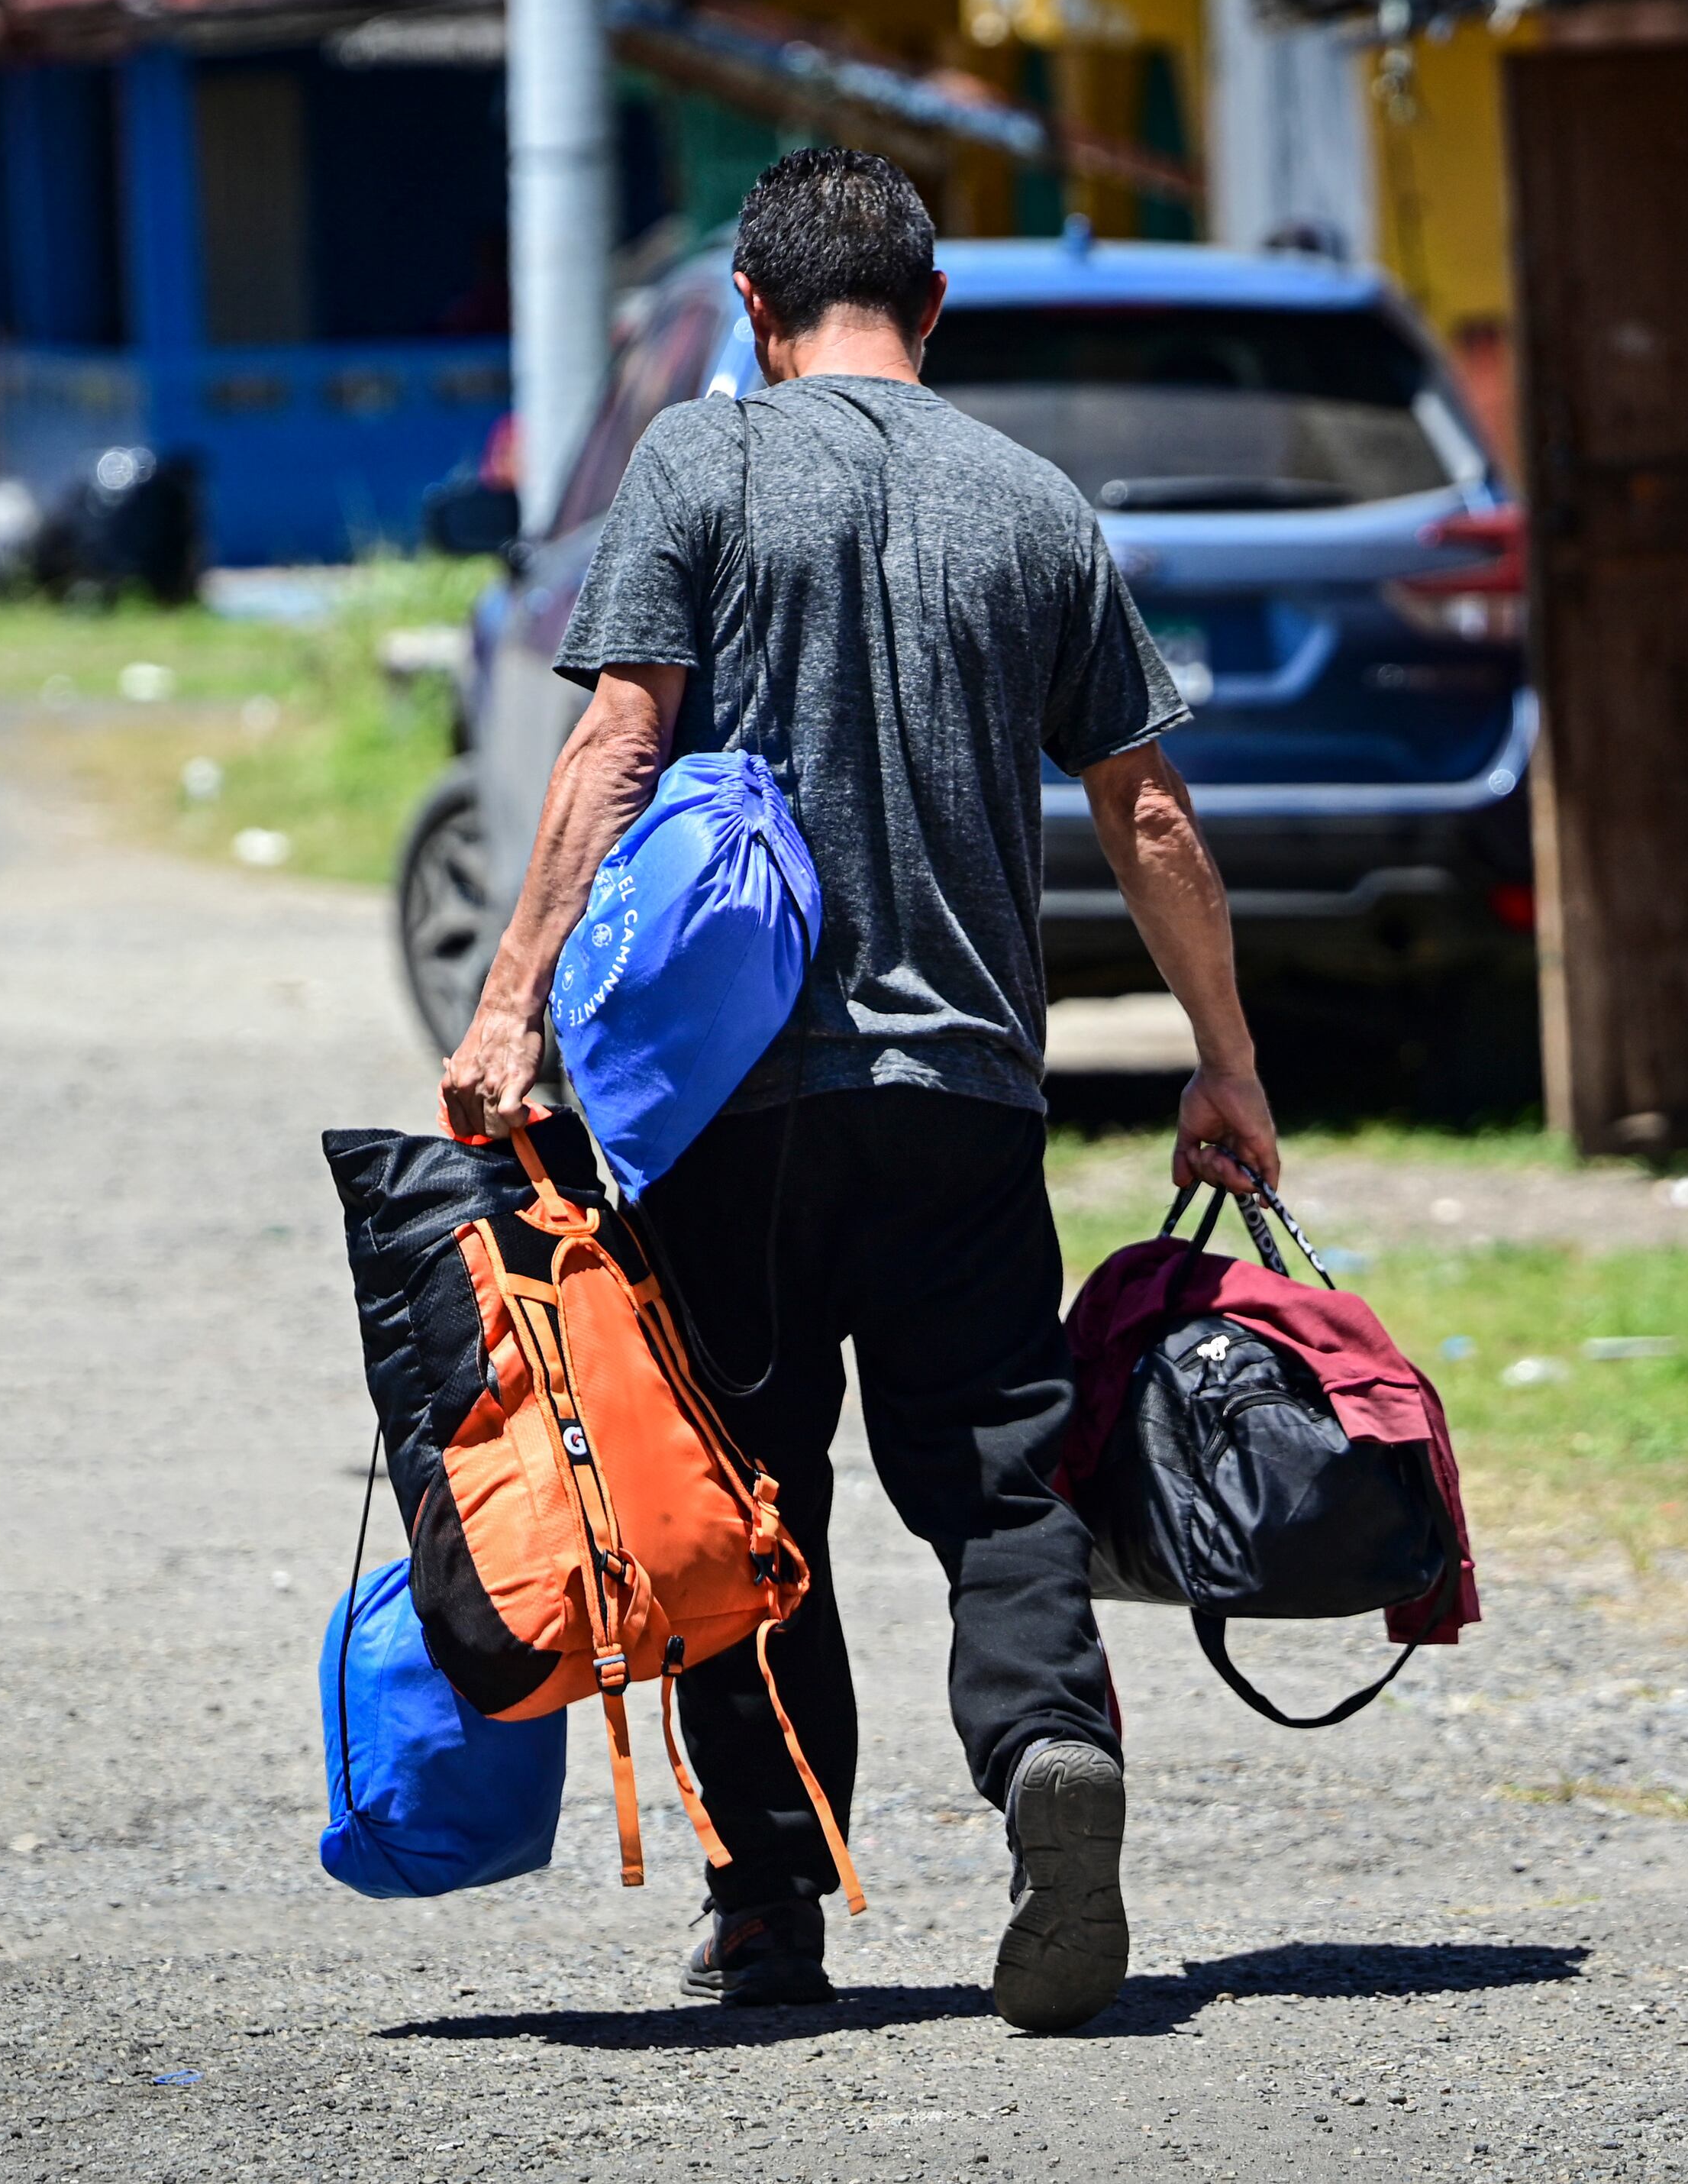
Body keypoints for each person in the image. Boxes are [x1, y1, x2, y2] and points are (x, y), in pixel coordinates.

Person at [436, 149, 1278, 2035]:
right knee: (995, 1460)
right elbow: (1149, 810)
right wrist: (1223, 1063)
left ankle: (771, 1904)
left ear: (750, 307)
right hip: (966, 1084)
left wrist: (513, 1010)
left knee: (748, 1488)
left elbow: (618, 738)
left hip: (727, 1101)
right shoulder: (1037, 501)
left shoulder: (704, 463)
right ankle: (1051, 1749)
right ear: (932, 306)